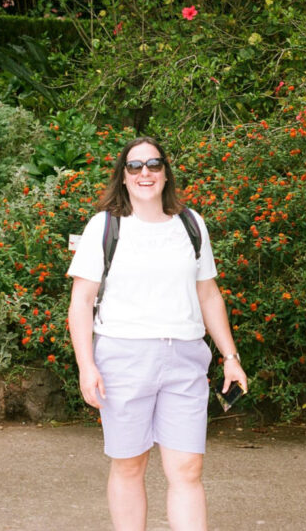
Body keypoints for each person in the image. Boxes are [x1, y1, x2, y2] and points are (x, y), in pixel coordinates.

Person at [67, 136, 248, 531]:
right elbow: (81, 302)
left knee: (187, 467)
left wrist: (230, 358)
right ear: (123, 175)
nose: (145, 173)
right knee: (130, 464)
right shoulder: (105, 226)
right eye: (135, 166)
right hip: (122, 357)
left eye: (154, 164)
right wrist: (86, 365)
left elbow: (208, 293)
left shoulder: (191, 223)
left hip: (185, 358)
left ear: (166, 173)